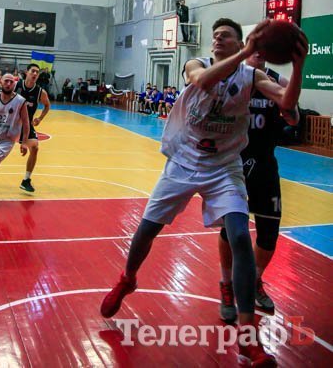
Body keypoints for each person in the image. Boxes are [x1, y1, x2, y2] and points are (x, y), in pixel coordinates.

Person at [100, 18, 307, 366]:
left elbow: (287, 103)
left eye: (226, 35)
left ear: (240, 41)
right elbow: (202, 81)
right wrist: (244, 53)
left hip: (224, 166)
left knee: (240, 236)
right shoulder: (195, 64)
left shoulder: (253, 76)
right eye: (216, 35)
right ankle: (128, 279)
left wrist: (298, 66)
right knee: (147, 229)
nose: (217, 38)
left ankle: (247, 336)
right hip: (184, 160)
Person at [218, 51, 297, 323]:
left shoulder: (278, 81)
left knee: (269, 234)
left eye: (266, 46)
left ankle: (254, 280)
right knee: (231, 232)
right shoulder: (233, 78)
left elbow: (294, 119)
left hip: (265, 167)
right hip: (235, 165)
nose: (260, 51)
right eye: (256, 46)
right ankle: (227, 285)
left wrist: (289, 106)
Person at [15, 63, 51, 193]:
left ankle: (26, 180)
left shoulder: (40, 92)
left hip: (26, 124)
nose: (35, 74)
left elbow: (47, 105)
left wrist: (40, 118)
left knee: (35, 148)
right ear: (27, 72)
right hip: (11, 122)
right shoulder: (16, 85)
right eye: (33, 71)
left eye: (37, 72)